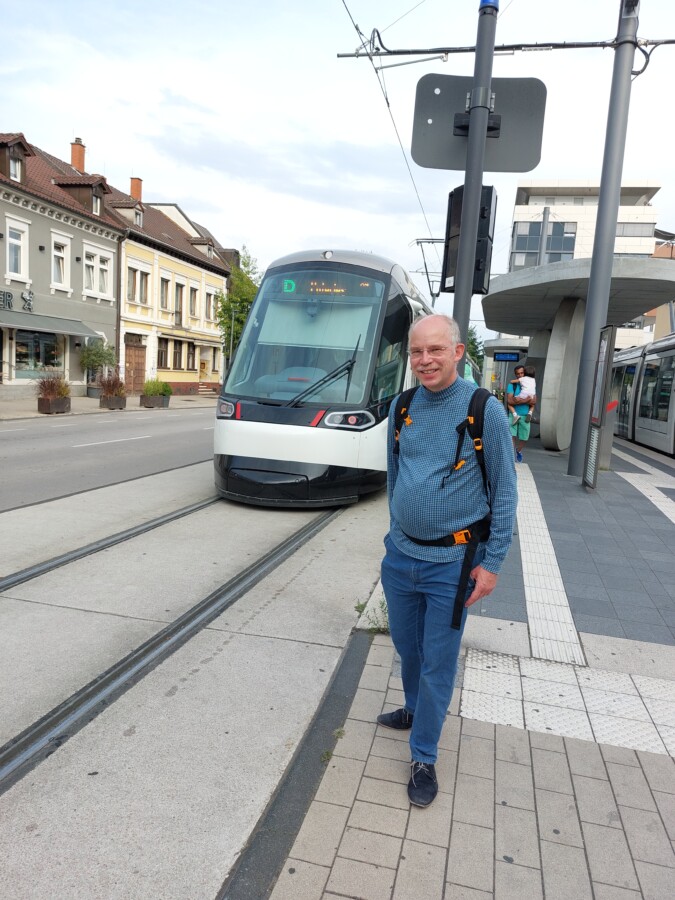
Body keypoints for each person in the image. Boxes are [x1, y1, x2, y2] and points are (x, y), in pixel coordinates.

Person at [378, 314, 518, 808]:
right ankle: (415, 710)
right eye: (417, 352)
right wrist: (394, 536)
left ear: (458, 352)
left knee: (438, 661)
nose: (425, 361)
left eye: (436, 350)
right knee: (406, 647)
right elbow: (395, 475)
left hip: (452, 563)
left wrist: (493, 562)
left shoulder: (486, 410)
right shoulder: (402, 406)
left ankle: (424, 756)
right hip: (401, 556)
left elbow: (504, 492)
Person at [507, 363, 536, 463]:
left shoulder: (531, 383)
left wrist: (519, 401)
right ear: (515, 374)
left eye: (522, 373)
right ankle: (511, 457)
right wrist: (526, 400)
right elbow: (509, 401)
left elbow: (534, 401)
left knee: (524, 438)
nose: (520, 375)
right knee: (511, 435)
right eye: (517, 374)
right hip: (513, 415)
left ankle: (518, 451)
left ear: (525, 373)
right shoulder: (512, 385)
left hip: (525, 415)